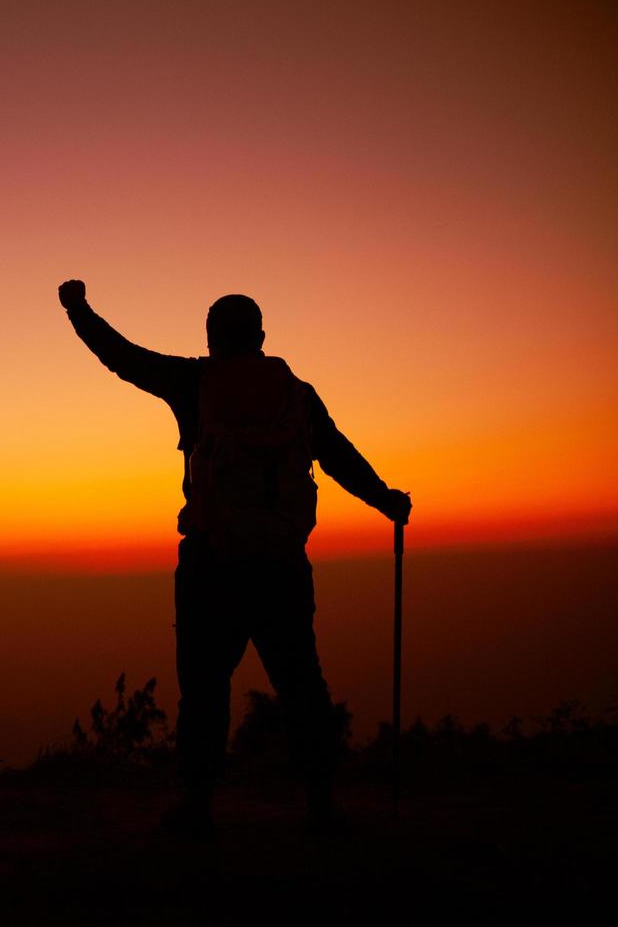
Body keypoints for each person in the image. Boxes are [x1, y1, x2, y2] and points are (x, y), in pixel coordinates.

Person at [57, 279, 411, 840]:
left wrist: (77, 309)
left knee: (203, 691)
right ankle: (322, 807)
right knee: (301, 685)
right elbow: (337, 454)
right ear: (263, 337)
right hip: (282, 565)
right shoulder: (296, 393)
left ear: (211, 338)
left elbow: (122, 358)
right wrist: (385, 498)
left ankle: (196, 811)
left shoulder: (194, 381)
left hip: (210, 563)